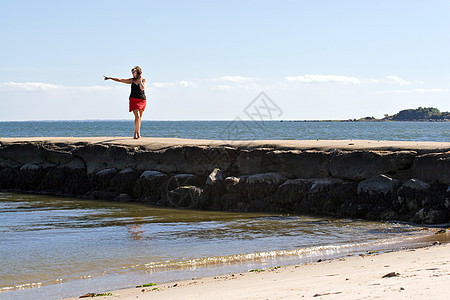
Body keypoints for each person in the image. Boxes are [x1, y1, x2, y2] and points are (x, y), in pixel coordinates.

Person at [104, 66, 147, 139]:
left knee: (139, 118)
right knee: (137, 116)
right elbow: (121, 80)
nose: (133, 73)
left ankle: (136, 133)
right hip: (133, 99)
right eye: (132, 72)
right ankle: (137, 134)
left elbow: (142, 88)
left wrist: (140, 81)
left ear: (138, 73)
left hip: (142, 100)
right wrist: (110, 78)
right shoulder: (131, 80)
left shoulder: (143, 80)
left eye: (134, 72)